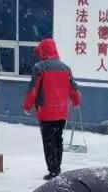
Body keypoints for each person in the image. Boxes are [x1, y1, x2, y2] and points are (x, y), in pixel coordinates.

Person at [24, 38, 81, 180]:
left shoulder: (39, 67)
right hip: (61, 112)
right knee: (58, 140)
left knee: (48, 141)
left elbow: (33, 89)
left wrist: (28, 106)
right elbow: (74, 88)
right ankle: (57, 167)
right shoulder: (66, 68)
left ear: (43, 51)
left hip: (46, 112)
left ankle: (53, 170)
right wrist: (76, 101)